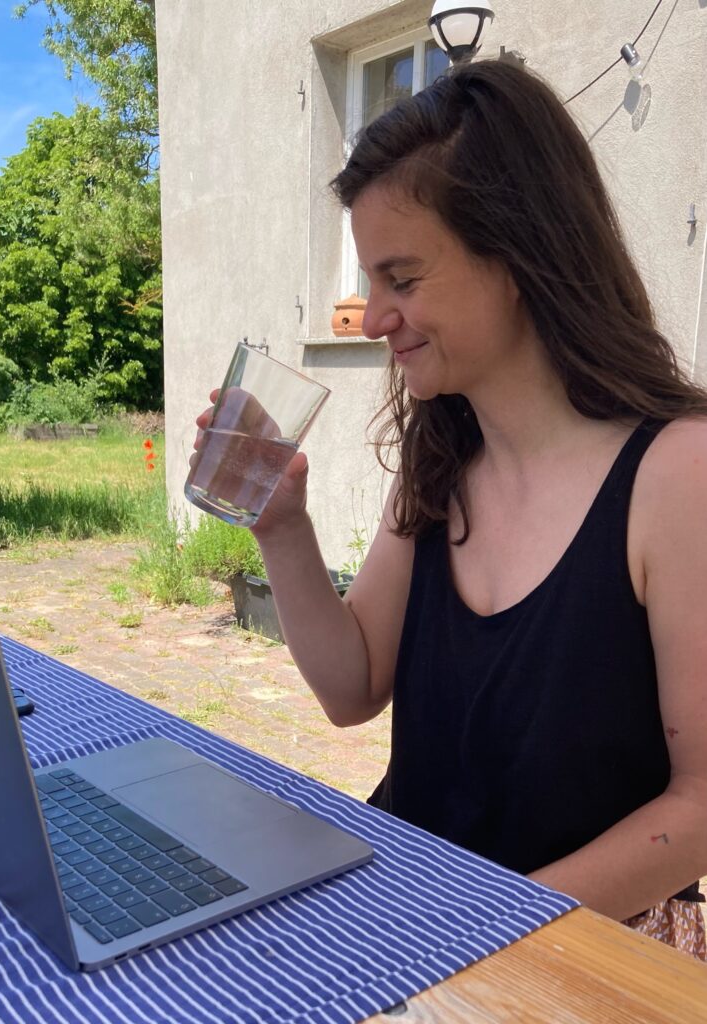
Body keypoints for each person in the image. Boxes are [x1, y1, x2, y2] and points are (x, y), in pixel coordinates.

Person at [193, 58, 707, 959]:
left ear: (518, 256)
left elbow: (698, 807)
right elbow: (351, 690)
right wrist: (281, 525)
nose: (369, 318)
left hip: (583, 951)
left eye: (401, 278)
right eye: (369, 281)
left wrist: (480, 926)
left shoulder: (677, 473)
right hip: (419, 914)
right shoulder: (438, 463)